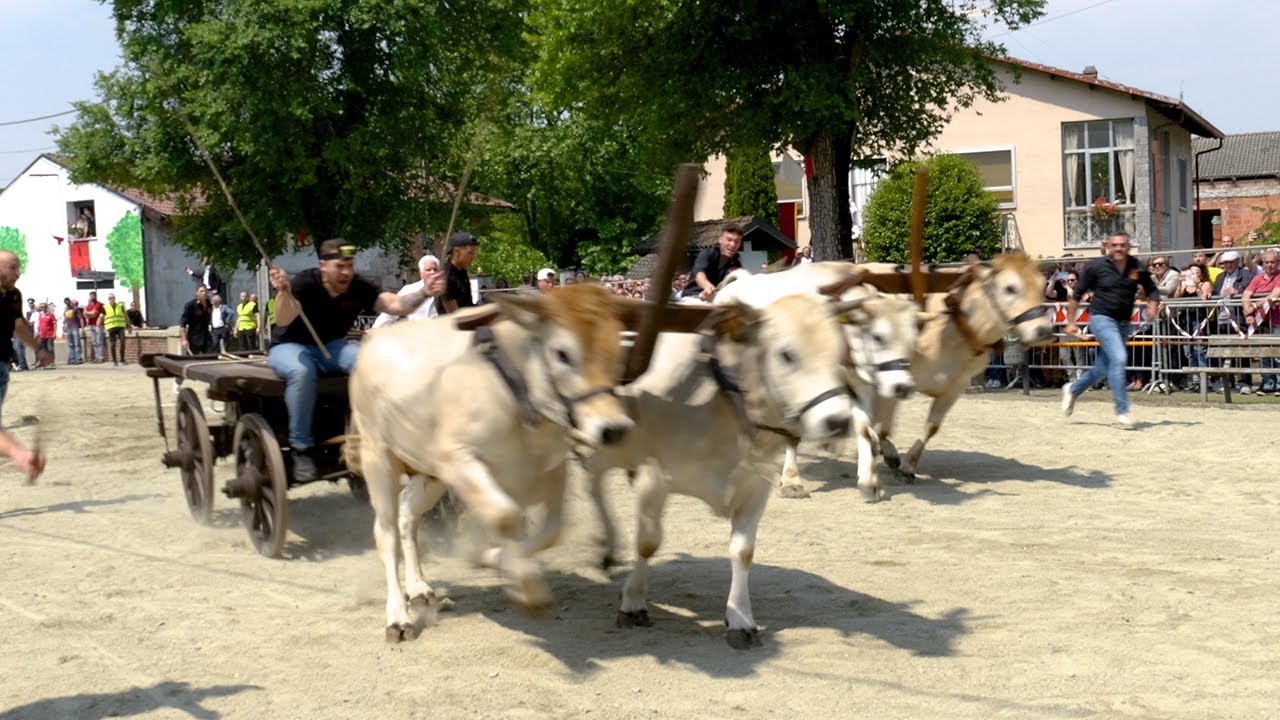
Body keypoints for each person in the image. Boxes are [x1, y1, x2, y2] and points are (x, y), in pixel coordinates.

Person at [268, 239, 441, 481]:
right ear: (323, 266)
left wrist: (424, 291)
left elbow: (395, 305)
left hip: (333, 346)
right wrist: (283, 291)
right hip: (290, 346)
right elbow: (283, 318)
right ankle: (300, 448)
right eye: (340, 266)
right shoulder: (305, 283)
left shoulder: (356, 286)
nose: (346, 273)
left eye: (349, 265)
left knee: (371, 361)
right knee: (301, 372)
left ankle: (378, 433)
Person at [1061, 232, 1160, 427]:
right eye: (1115, 245)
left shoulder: (1136, 266)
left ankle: (1073, 389)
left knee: (1103, 368)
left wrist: (1152, 306)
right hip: (1101, 318)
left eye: (1123, 245)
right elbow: (1077, 294)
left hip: (1124, 322)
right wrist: (1070, 321)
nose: (1118, 249)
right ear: (1108, 246)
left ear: (1128, 246)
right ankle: (1122, 410)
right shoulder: (1096, 267)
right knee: (1119, 358)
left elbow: (1152, 290)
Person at [0, 251, 51, 477]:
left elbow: (18, 325)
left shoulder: (13, 296)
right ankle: (20, 456)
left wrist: (37, 348)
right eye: (12, 268)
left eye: (18, 267)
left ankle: (19, 456)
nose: (18, 273)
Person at [1212, 250, 1255, 393]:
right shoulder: (1219, 277)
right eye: (1226, 263)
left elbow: (1253, 291)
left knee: (1242, 352)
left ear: (1237, 262)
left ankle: (1244, 382)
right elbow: (1214, 294)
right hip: (1222, 319)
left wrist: (1238, 293)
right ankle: (1227, 381)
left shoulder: (1246, 275)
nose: (1228, 265)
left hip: (1239, 318)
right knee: (1224, 352)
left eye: (1231, 262)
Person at [1242, 249, 1280, 395]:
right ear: (1262, 263)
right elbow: (1246, 295)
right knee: (1265, 354)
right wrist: (1248, 312)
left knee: (1278, 354)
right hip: (1261, 322)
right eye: (1266, 262)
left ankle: (1278, 384)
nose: (1269, 265)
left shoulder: (1278, 277)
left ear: (1278, 263)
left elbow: (1275, 294)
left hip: (1277, 321)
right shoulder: (1257, 279)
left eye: (1273, 262)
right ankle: (1268, 384)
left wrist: (1254, 305)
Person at [371, 254, 445, 329]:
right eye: (428, 270)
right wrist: (376, 328)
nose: (432, 272)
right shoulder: (410, 289)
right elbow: (392, 311)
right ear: (421, 273)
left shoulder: (446, 288)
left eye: (435, 269)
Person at [680, 226, 743, 303]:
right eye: (729, 240)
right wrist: (707, 286)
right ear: (720, 239)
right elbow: (699, 274)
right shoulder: (707, 253)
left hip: (717, 301)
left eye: (736, 241)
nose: (732, 245)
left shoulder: (736, 263)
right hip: (693, 297)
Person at [440, 232, 479, 314]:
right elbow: (454, 315)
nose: (473, 257)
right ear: (457, 252)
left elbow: (468, 305)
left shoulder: (462, 273)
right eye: (470, 253)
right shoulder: (446, 277)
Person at [179, 286, 213, 355]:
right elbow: (183, 324)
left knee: (211, 357)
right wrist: (184, 340)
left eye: (205, 291)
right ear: (197, 293)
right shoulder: (190, 305)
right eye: (201, 291)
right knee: (193, 360)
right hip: (194, 338)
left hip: (207, 337)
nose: (204, 293)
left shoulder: (210, 304)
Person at [102, 292, 128, 366]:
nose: (112, 299)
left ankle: (122, 359)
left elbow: (125, 316)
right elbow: (101, 317)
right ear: (108, 299)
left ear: (115, 298)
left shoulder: (120, 306)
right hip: (111, 327)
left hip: (120, 327)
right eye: (110, 298)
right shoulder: (105, 307)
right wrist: (98, 326)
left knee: (123, 342)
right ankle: (114, 360)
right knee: (113, 344)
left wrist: (129, 325)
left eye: (113, 298)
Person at [82, 290, 105, 363]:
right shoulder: (89, 305)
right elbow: (84, 314)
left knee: (99, 341)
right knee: (94, 342)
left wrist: (88, 313)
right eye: (91, 296)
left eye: (93, 295)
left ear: (95, 296)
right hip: (91, 325)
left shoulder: (99, 304)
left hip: (98, 325)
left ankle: (101, 357)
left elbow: (94, 313)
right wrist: (89, 314)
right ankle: (96, 357)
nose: (92, 297)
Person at [62, 298, 84, 365]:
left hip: (75, 327)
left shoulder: (75, 309)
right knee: (71, 344)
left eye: (68, 301)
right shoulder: (66, 310)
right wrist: (63, 330)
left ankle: (78, 358)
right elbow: (65, 320)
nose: (67, 303)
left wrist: (82, 328)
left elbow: (81, 318)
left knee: (77, 343)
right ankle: (72, 359)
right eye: (66, 302)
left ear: (70, 301)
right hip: (68, 328)